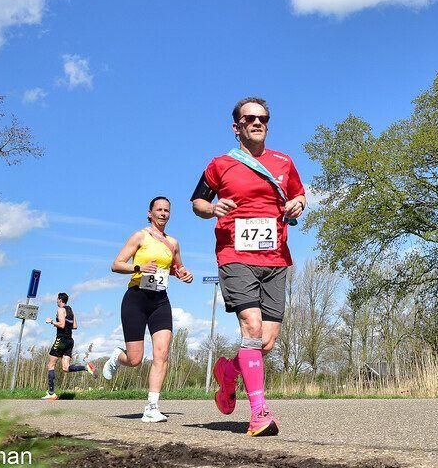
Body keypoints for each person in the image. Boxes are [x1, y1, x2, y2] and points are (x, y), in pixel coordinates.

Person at [190, 97, 306, 436]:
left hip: (276, 257)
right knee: (251, 327)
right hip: (234, 253)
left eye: (263, 118)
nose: (257, 122)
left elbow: (299, 195)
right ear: (236, 125)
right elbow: (197, 201)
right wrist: (211, 209)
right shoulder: (220, 164)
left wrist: (298, 203)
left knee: (266, 342)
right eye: (250, 118)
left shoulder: (284, 161)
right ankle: (259, 412)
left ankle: (228, 372)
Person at [103, 196, 194, 422]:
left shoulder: (173, 243)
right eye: (159, 210)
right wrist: (139, 267)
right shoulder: (140, 236)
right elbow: (116, 264)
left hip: (160, 301)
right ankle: (118, 357)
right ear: (150, 213)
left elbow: (178, 268)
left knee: (161, 354)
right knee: (135, 359)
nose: (163, 213)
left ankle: (152, 407)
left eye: (166, 210)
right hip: (136, 299)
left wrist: (184, 274)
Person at [41, 292, 97, 400]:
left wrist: (51, 321)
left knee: (50, 365)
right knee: (66, 368)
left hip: (61, 339)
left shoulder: (61, 310)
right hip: (70, 340)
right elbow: (75, 326)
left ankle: (51, 393)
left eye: (57, 299)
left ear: (59, 299)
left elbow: (61, 324)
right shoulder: (71, 311)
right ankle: (86, 368)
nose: (56, 301)